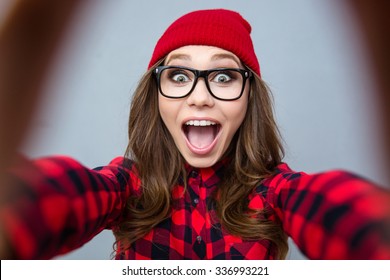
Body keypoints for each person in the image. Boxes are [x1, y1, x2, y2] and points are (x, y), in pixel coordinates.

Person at [1, 8, 390, 260]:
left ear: (247, 98)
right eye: (179, 76)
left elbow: (349, 217)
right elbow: (52, 199)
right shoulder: (125, 186)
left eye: (223, 76)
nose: (200, 97)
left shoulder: (277, 192)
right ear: (155, 95)